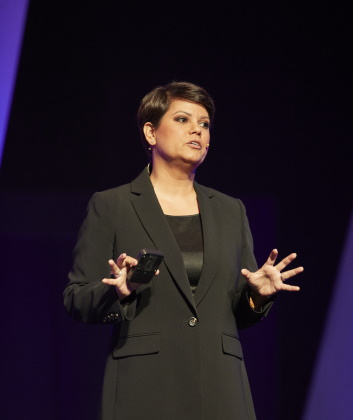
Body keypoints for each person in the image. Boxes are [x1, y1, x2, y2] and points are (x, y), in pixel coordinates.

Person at [64, 81, 304, 420]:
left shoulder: (230, 210)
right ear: (151, 132)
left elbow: (238, 313)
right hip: (145, 387)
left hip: (220, 389)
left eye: (204, 124)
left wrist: (257, 296)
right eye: (182, 119)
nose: (197, 130)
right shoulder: (112, 205)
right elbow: (75, 298)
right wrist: (119, 291)